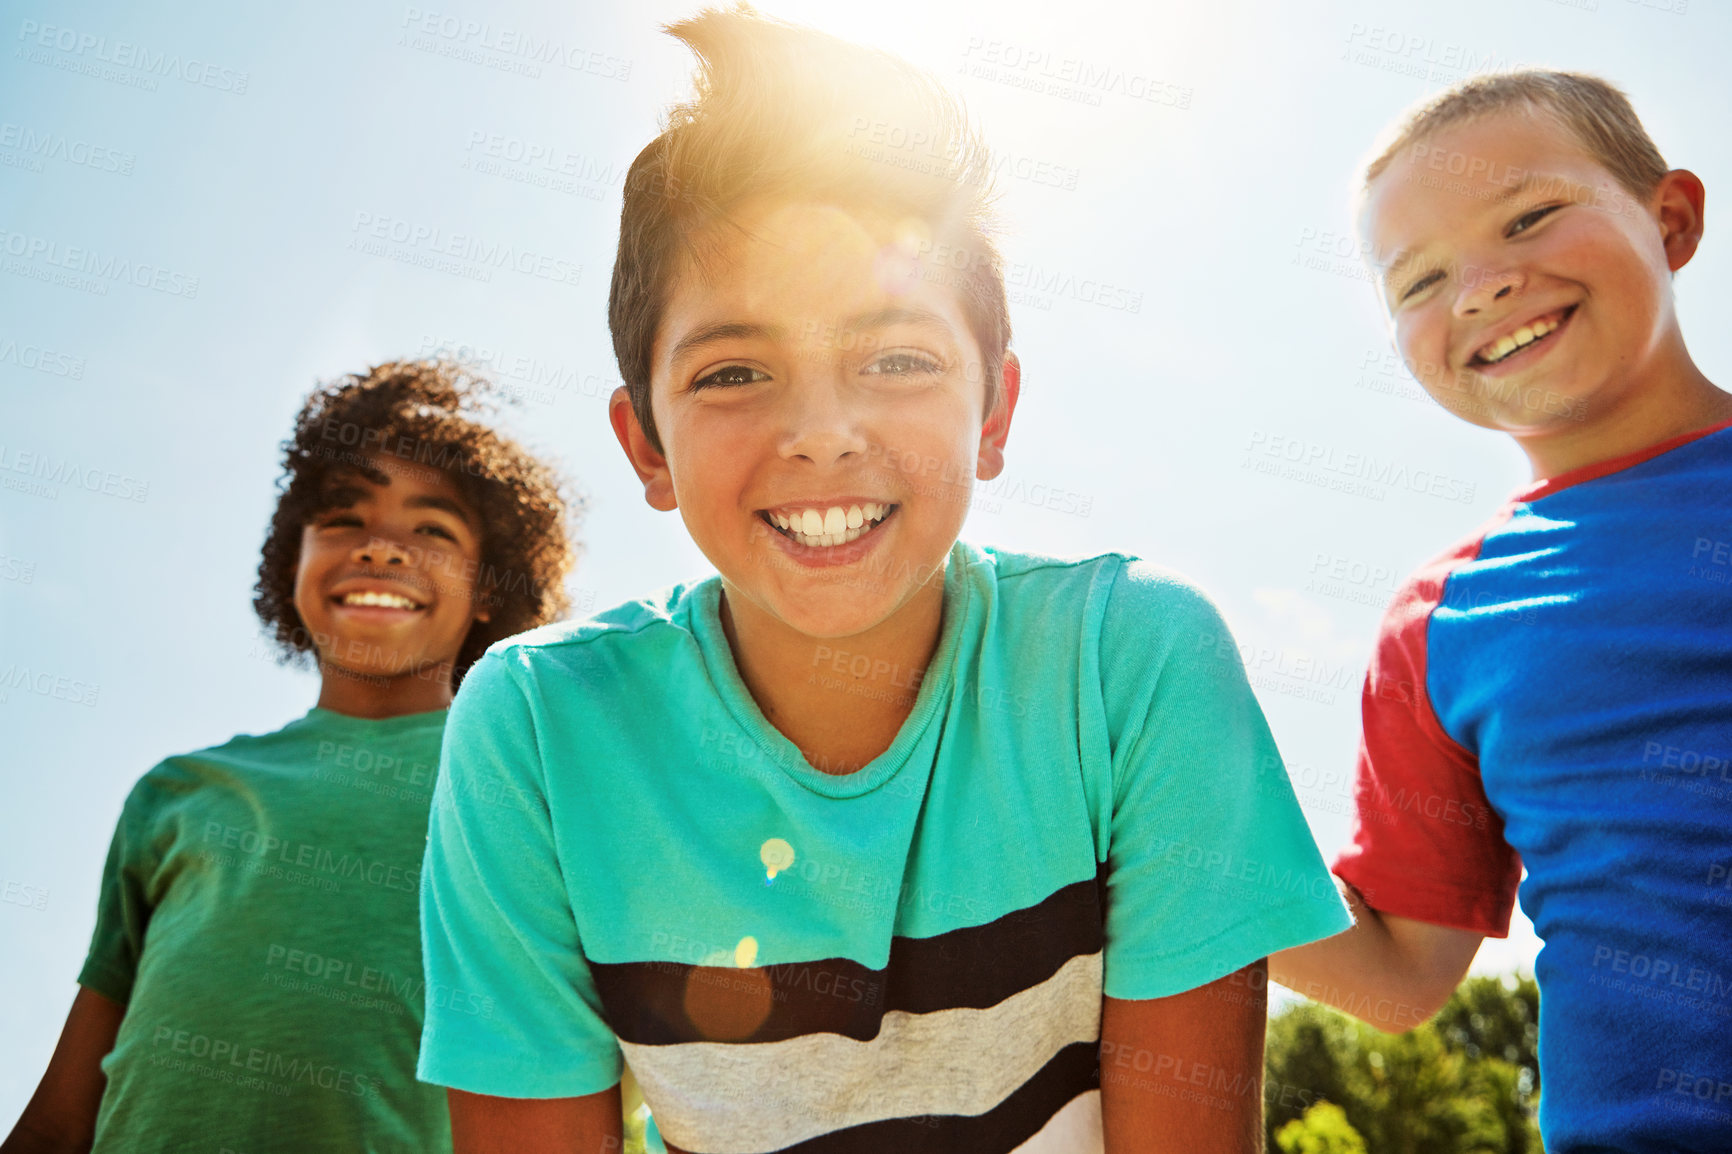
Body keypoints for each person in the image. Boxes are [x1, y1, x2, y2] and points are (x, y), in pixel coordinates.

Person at [416, 10, 1349, 1153]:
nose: (822, 433)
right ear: (646, 446)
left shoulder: (1128, 661)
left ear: (994, 410)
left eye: (896, 357)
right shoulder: (538, 725)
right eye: (734, 369)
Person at [1269, 71, 1732, 1153]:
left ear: (1670, 219)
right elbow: (1398, 971)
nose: (1481, 284)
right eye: (1418, 279)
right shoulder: (1443, 621)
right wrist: (1144, 855)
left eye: (1528, 216)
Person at [2, 360, 575, 1154]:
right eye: (344, 519)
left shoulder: (537, 776)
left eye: (432, 529)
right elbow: (62, 1114)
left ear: (489, 588)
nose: (381, 549)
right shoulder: (179, 792)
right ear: (291, 562)